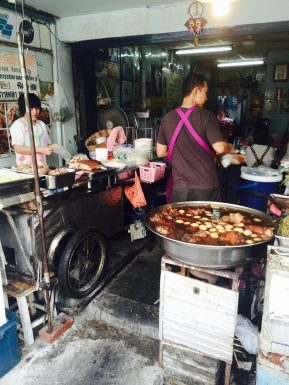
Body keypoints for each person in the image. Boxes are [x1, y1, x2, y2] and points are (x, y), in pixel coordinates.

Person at [156, 72, 236, 203]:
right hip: (206, 186)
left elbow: (160, 152)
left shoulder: (167, 119)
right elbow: (220, 148)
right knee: (206, 223)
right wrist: (230, 147)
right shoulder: (207, 116)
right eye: (205, 92)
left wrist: (182, 151)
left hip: (180, 188)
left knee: (181, 223)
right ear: (196, 91)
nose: (206, 98)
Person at [10, 93, 56, 166]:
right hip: (26, 168)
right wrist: (40, 149)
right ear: (23, 109)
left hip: (42, 167)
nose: (35, 112)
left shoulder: (41, 124)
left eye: (37, 108)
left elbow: (46, 145)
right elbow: (18, 149)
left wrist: (53, 147)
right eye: (31, 109)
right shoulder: (19, 125)